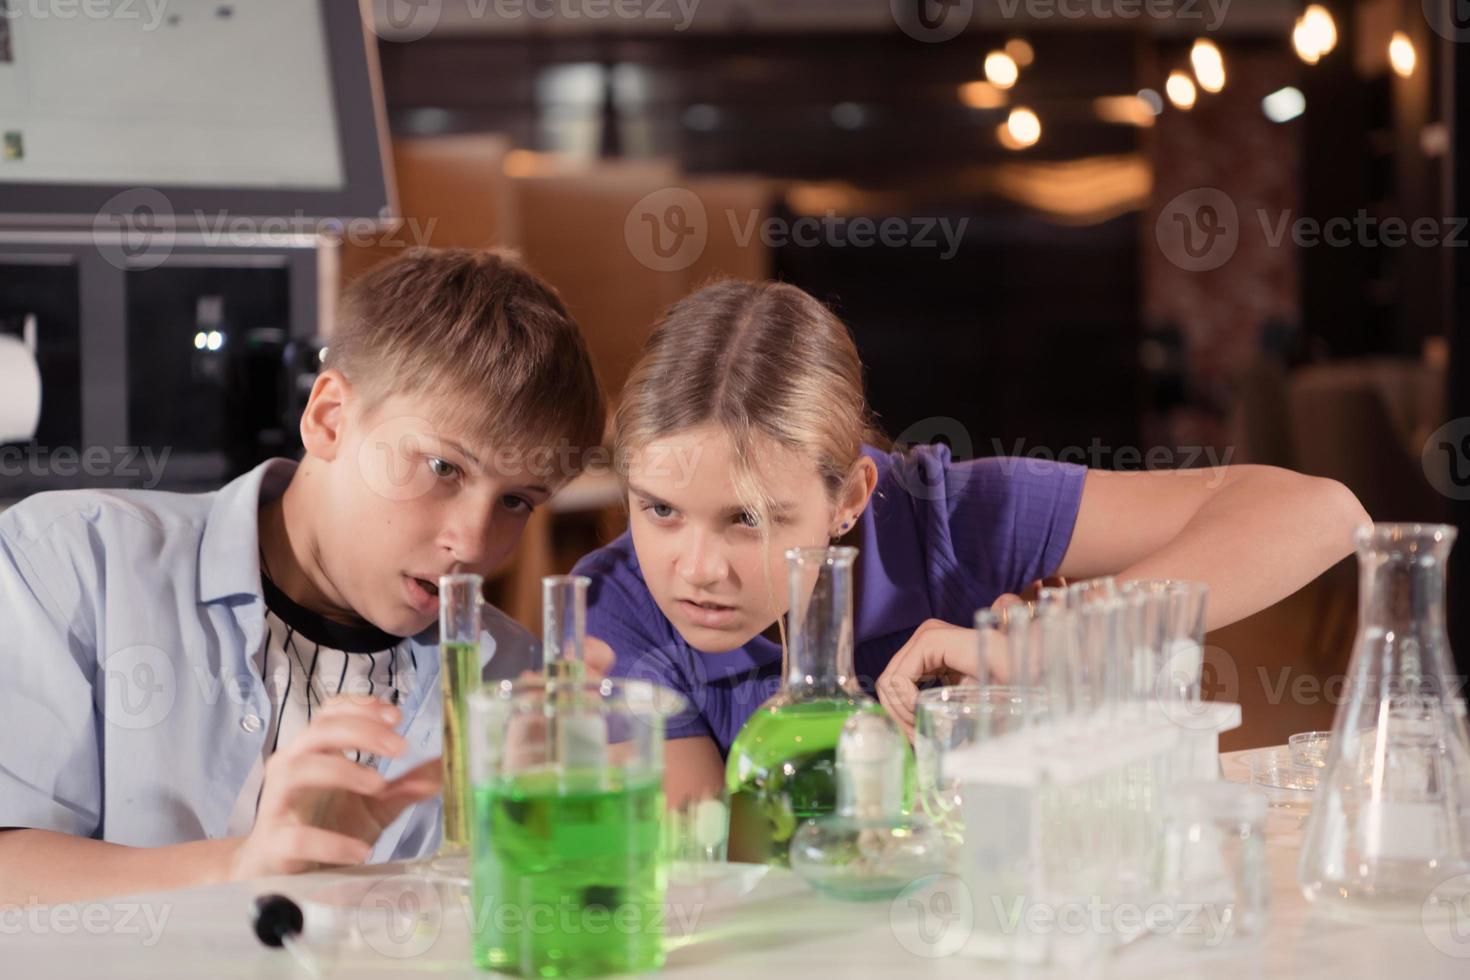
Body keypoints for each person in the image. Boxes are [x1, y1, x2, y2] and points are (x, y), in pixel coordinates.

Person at [573, 278, 1369, 810]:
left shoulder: (945, 516)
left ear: (850, 497)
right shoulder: (615, 609)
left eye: (749, 519)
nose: (697, 570)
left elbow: (1320, 510)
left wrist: (1052, 644)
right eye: (661, 510)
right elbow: (714, 867)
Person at [0, 248, 607, 904]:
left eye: (516, 500)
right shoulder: (74, 563)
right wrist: (239, 871)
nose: (473, 542)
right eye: (443, 469)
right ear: (329, 418)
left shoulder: (515, 683)